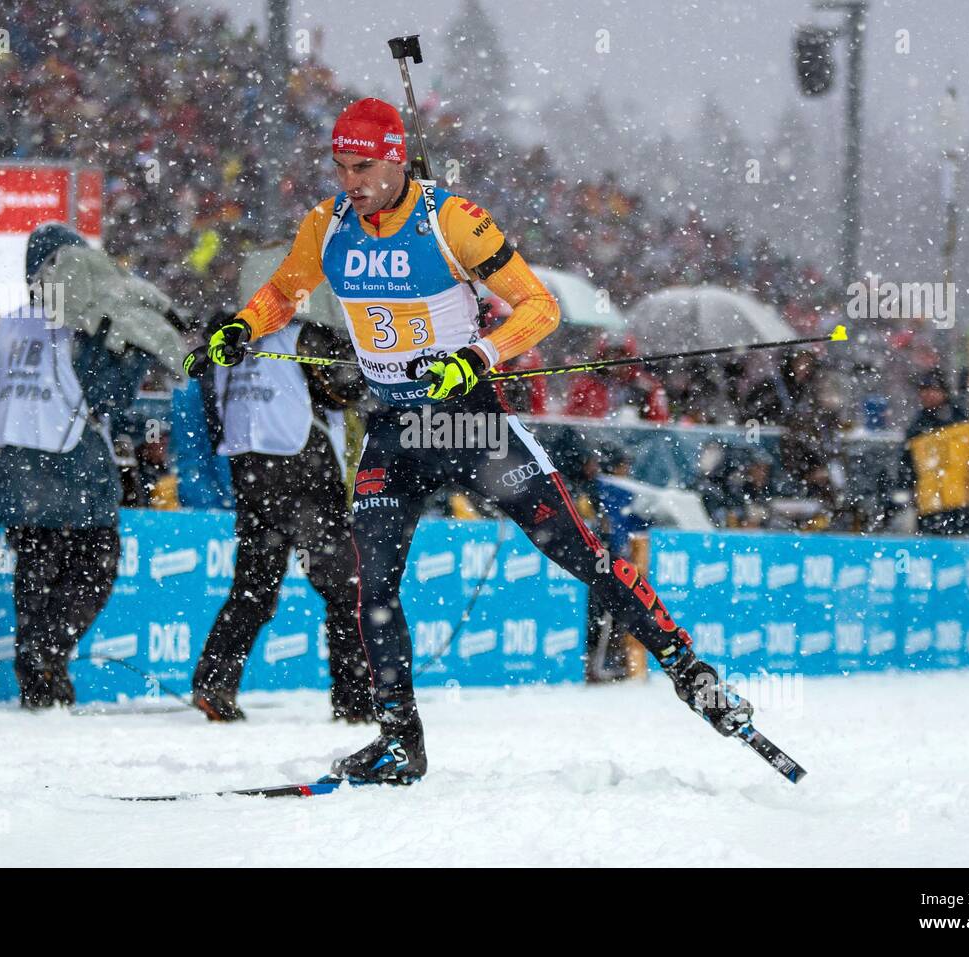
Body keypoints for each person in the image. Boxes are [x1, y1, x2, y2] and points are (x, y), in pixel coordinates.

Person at [195, 97, 754, 784]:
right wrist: (243, 328)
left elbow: (539, 308)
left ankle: (690, 671)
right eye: (341, 167)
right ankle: (400, 741)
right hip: (396, 428)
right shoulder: (328, 223)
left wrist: (478, 356)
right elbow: (284, 290)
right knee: (371, 583)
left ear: (396, 158)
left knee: (581, 556)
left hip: (467, 421)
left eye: (364, 166)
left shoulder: (451, 219)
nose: (352, 181)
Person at [0, 224, 159, 709]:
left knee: (34, 581)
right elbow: (109, 397)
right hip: (75, 478)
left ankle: (39, 684)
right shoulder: (80, 329)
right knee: (94, 572)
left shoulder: (10, 326)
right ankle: (45, 656)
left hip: (19, 479)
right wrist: (140, 349)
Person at [190, 308, 373, 723]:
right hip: (301, 466)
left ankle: (213, 683)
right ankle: (356, 700)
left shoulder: (225, 335)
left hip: (249, 466)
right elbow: (345, 389)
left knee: (254, 588)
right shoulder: (300, 334)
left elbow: (208, 405)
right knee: (346, 590)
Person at [901, 369, 969, 536]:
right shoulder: (916, 429)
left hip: (964, 503)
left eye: (933, 390)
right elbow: (908, 469)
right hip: (930, 508)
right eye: (924, 390)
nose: (928, 395)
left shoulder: (968, 420)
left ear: (944, 392)